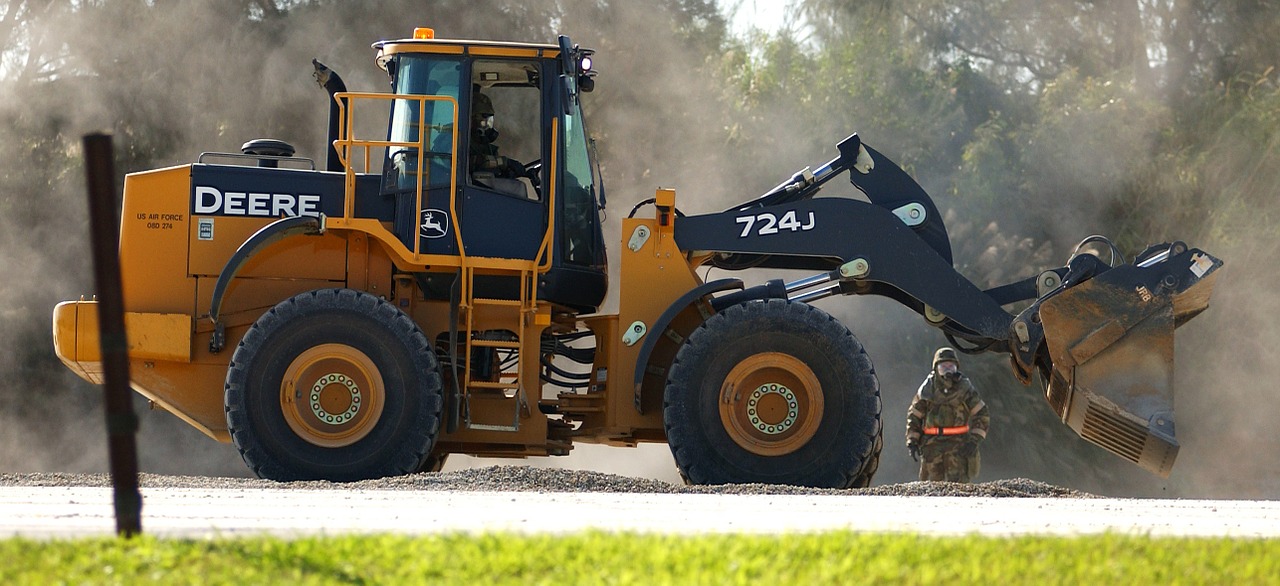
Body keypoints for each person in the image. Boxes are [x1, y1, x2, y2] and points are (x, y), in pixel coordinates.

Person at [905, 347, 990, 483]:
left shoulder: (965, 388)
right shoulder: (927, 390)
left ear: (957, 367)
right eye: (943, 367)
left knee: (959, 488)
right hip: (932, 445)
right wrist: (912, 441)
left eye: (951, 366)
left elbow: (981, 414)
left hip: (959, 445)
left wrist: (974, 441)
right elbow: (914, 415)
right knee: (930, 487)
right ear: (936, 369)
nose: (947, 370)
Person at [468, 88, 528, 183]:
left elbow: (491, 169)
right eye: (483, 118)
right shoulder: (452, 137)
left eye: (489, 119)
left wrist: (506, 173)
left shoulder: (486, 146)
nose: (487, 124)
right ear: (470, 118)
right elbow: (465, 163)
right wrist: (505, 162)